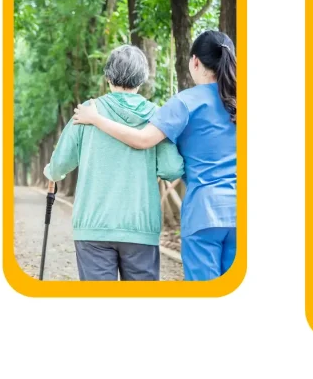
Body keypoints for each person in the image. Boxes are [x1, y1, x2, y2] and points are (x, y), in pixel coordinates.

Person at [72, 30, 237, 282]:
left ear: (195, 61)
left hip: (205, 214)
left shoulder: (185, 103)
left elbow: (143, 140)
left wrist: (95, 118)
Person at [44, 44, 185, 281]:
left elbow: (59, 165)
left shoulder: (88, 111)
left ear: (108, 76)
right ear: (142, 79)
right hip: (140, 228)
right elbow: (172, 169)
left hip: (93, 225)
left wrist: (52, 174)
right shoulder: (155, 116)